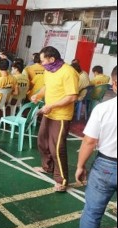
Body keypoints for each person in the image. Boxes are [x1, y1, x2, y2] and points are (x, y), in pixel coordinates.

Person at [76, 66, 117, 228]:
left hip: (105, 167)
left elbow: (90, 141)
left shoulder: (103, 109)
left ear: (114, 84)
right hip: (106, 166)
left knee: (92, 214)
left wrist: (80, 166)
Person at [31, 46, 79, 192]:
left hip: (61, 116)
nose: (41, 63)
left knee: (57, 148)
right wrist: (38, 95)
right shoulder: (49, 70)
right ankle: (47, 167)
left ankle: (62, 180)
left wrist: (52, 105)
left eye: (42, 60)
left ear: (52, 59)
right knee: (42, 142)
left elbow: (72, 96)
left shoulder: (68, 72)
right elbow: (47, 86)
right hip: (48, 113)